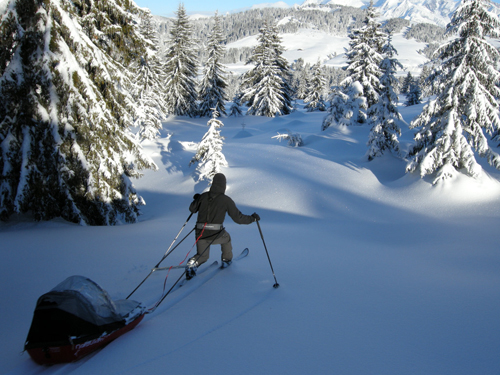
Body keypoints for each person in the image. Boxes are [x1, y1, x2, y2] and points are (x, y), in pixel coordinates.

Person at [186, 173, 259, 279]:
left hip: (200, 233)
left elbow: (192, 209)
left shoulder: (204, 196)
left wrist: (197, 199)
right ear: (223, 185)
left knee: (203, 256)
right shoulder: (226, 200)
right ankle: (227, 260)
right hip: (216, 234)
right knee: (227, 239)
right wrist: (253, 218)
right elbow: (238, 218)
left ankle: (192, 263)